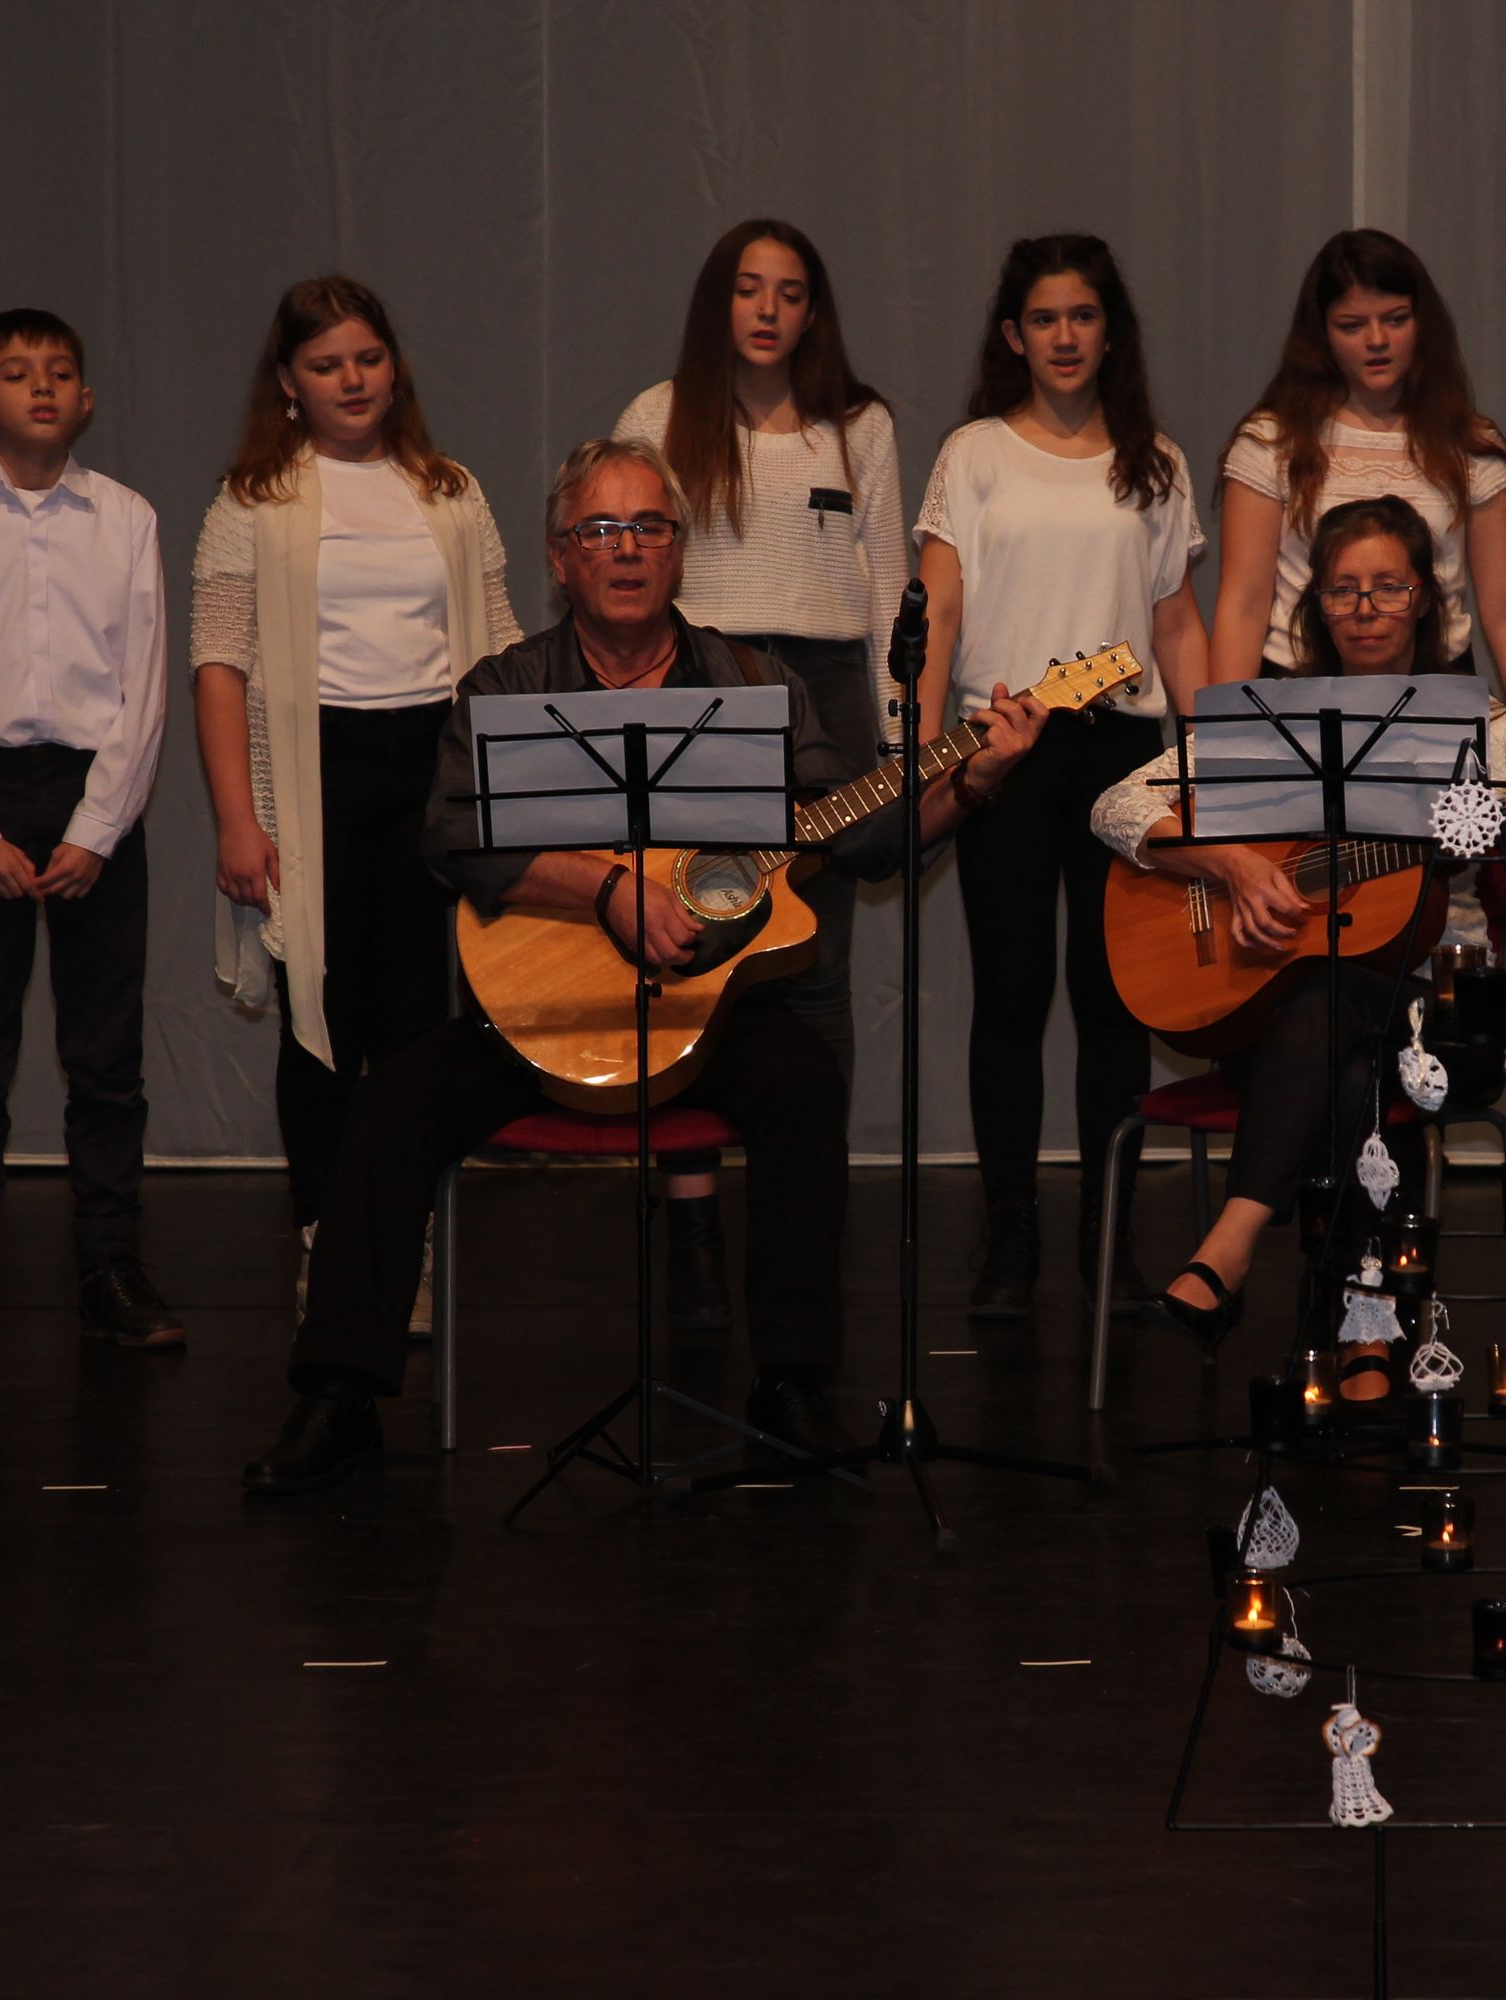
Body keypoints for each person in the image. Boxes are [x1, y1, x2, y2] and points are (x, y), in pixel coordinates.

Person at [241, 439, 1046, 1493]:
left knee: (804, 1079)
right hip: (541, 1003)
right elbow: (449, 835)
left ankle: (793, 1383)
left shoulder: (754, 681)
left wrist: (973, 781)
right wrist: (604, 891)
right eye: (600, 530)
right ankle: (338, 1400)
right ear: (559, 557)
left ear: (677, 552)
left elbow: (860, 839)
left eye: (649, 528)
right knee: (394, 1098)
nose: (626, 550)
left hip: (711, 1014)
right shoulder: (508, 684)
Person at [1093, 496, 1506, 1350]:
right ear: (1318, 605)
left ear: (1424, 598)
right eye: (1343, 589)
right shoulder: (1272, 724)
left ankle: (1235, 1250)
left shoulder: (1485, 733)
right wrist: (1231, 865)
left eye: (1388, 587)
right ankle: (1364, 1330)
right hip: (1273, 1012)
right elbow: (1115, 806)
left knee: (1338, 1010)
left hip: (1440, 1021)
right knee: (1335, 1020)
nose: (1365, 608)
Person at [188, 277, 522, 1319]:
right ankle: (327, 1244)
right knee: (320, 1018)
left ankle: (403, 1245)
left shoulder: (450, 491)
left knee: (416, 1026)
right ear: (289, 382)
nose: (352, 380)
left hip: (433, 769)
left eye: (368, 358)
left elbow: (502, 646)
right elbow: (218, 664)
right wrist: (239, 820)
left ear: (394, 366)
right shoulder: (253, 500)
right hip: (313, 775)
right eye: (327, 364)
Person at [613, 219, 901, 1335]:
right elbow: (628, 573)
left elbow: (885, 585)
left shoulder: (860, 425)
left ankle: (803, 1225)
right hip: (704, 684)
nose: (769, 310)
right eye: (749, 289)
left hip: (826, 693)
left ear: (814, 311)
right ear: (717, 303)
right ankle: (690, 1233)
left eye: (790, 292)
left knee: (815, 962)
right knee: (692, 956)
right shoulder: (657, 416)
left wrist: (890, 733)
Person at [914, 234, 1209, 1320]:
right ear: (1014, 335)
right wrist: (920, 753)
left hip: (1123, 753)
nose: (1065, 336)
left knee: (1112, 1000)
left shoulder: (1154, 461)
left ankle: (1109, 1242)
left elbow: (1175, 623)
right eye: (1044, 318)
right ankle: (1010, 1241)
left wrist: (1214, 760)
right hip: (1004, 748)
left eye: (1083, 315)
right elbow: (939, 609)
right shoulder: (974, 455)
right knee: (1010, 995)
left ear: (1110, 330)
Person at [0, 309, 180, 1356]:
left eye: (59, 371)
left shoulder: (127, 517)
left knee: (105, 1058)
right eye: (16, 373)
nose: (41, 386)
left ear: (86, 399)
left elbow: (145, 688)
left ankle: (111, 1265)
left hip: (98, 795)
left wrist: (99, 827)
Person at [1210, 229, 1506, 733]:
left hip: (1436, 695)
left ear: (1422, 323)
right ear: (1322, 334)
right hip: (1298, 692)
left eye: (1395, 319)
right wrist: (1221, 743)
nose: (1376, 341)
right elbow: (1243, 605)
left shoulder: (1469, 445)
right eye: (1352, 325)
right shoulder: (1272, 442)